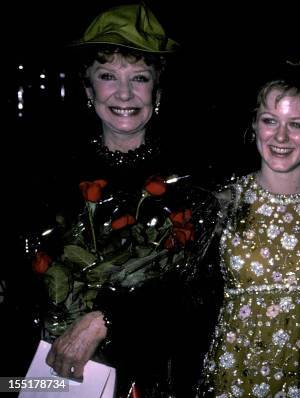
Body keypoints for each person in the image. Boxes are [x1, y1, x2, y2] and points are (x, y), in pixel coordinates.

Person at [31, 4, 218, 396]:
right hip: (50, 377)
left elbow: (200, 294)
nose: (124, 94)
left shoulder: (190, 180)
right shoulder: (48, 175)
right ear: (88, 88)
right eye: (107, 77)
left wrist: (105, 319)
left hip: (152, 377)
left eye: (139, 78)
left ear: (157, 90)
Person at [197, 64, 300, 397]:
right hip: (229, 381)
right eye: (270, 121)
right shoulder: (222, 203)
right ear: (254, 124)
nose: (281, 137)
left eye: (297, 125)